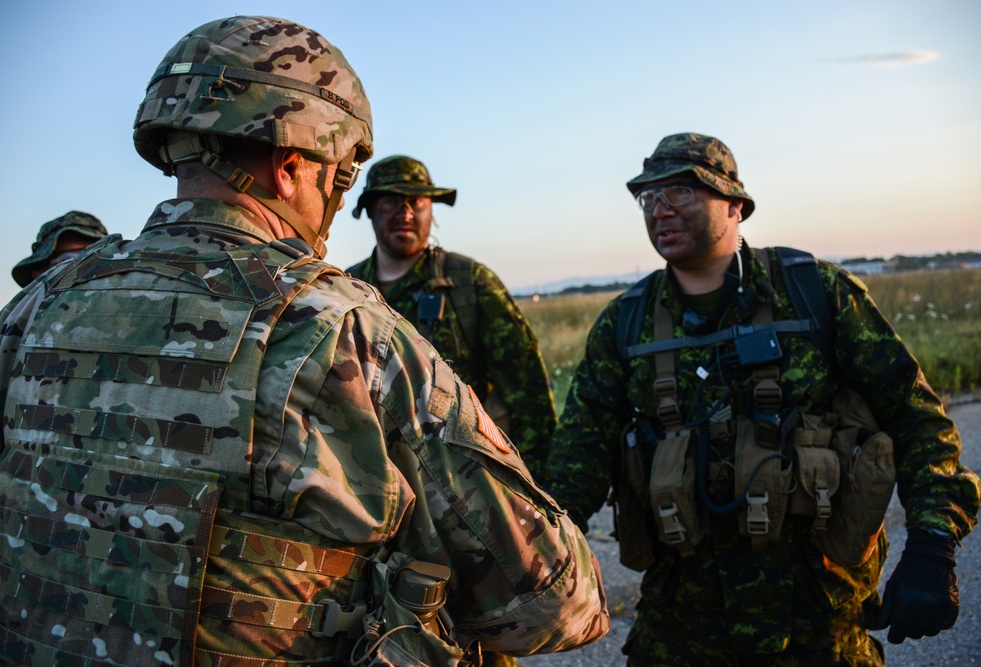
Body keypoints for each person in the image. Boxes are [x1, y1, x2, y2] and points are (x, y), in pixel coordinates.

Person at [0, 16, 608, 666]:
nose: (334, 204)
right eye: (339, 179)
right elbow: (558, 600)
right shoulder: (342, 326)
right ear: (290, 167)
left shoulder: (38, 303)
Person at [545, 132, 981, 666]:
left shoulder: (815, 292)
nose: (660, 210)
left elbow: (915, 418)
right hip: (682, 620)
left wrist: (933, 545)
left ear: (735, 205)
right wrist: (540, 549)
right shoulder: (627, 322)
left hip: (817, 614)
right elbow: (578, 456)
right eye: (649, 198)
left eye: (681, 192)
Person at [346, 156, 556, 480]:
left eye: (416, 201)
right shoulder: (349, 291)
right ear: (370, 210)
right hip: (376, 479)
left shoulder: (471, 283)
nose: (405, 213)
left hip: (466, 481)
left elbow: (529, 398)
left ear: (431, 209)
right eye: (390, 201)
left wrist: (533, 486)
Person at [11, 210, 108, 287]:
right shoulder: (24, 311)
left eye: (97, 257)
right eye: (67, 261)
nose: (84, 267)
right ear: (38, 276)